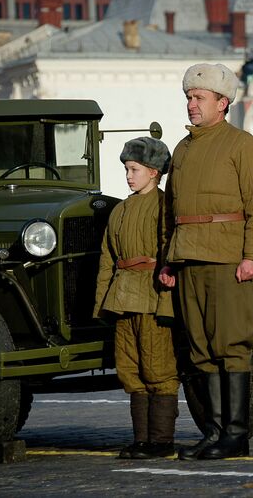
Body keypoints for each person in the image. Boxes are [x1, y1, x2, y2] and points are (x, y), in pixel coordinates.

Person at [158, 63, 253, 460]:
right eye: (189, 98)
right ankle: (213, 431)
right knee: (200, 347)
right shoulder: (182, 149)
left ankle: (236, 435)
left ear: (222, 103)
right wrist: (167, 259)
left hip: (228, 257)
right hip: (187, 256)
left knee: (231, 344)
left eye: (199, 98)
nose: (191, 105)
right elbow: (169, 209)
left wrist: (252, 255)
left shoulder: (242, 145)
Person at [93, 137, 178, 459]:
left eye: (134, 169)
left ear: (154, 172)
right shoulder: (120, 210)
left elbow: (171, 253)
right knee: (130, 370)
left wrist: (167, 300)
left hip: (152, 296)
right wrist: (102, 304)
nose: (128, 176)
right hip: (122, 297)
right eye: (127, 169)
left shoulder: (164, 206)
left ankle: (161, 441)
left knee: (159, 370)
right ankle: (142, 440)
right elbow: (107, 259)